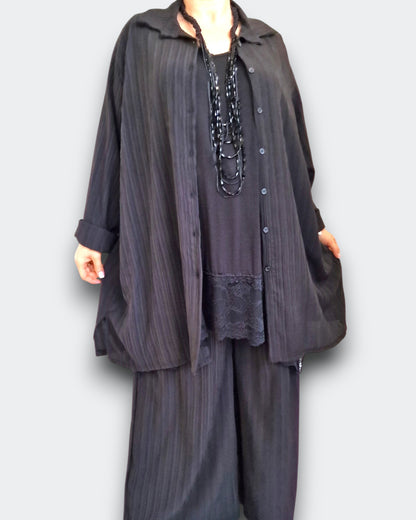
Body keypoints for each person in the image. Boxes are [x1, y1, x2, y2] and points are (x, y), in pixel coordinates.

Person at [74, 0, 347, 518]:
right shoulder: (143, 37)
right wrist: (95, 232)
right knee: (176, 430)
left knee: (268, 442)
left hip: (264, 263)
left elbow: (293, 149)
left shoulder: (268, 44)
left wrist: (311, 224)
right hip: (178, 260)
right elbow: (117, 133)